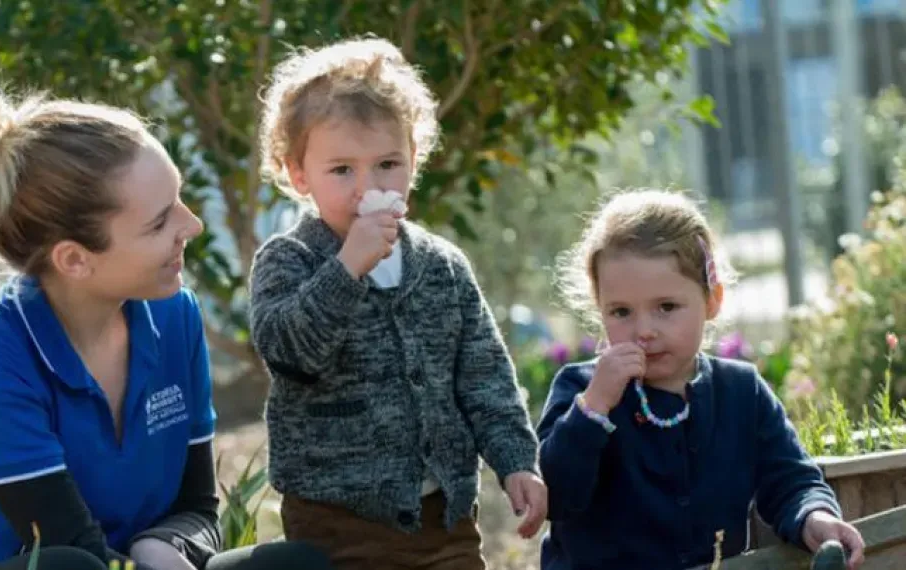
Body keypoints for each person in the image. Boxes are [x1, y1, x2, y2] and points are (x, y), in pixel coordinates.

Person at [0, 83, 331, 570]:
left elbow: (196, 508)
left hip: (119, 563)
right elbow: (68, 546)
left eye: (178, 199)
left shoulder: (176, 315)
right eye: (159, 223)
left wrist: (167, 548)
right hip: (47, 564)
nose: (191, 225)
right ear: (74, 259)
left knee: (294, 563)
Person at [247, 37, 548, 570]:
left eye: (387, 163)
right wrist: (347, 268)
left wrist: (516, 462)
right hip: (337, 519)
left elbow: (485, 380)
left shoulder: (442, 266)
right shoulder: (290, 259)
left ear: (414, 159)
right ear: (299, 175)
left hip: (445, 518)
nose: (368, 187)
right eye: (341, 170)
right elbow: (290, 351)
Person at [536, 189, 866, 570]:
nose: (644, 330)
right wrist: (593, 410)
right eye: (621, 311)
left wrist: (815, 517)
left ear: (712, 300)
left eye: (666, 307)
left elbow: (789, 477)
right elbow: (557, 497)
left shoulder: (740, 390)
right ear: (599, 308)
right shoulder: (581, 391)